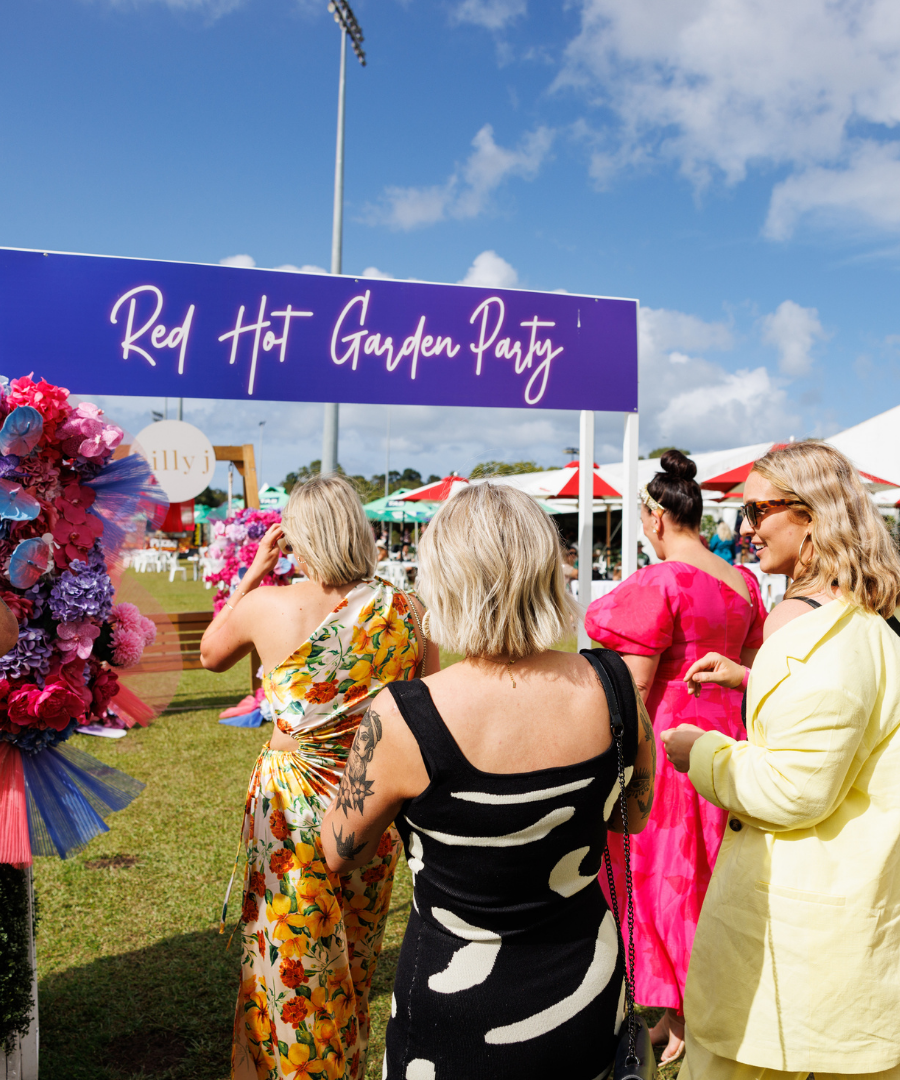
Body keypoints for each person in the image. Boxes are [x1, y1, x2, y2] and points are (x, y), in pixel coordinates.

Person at [321, 483, 656, 1080]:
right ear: (547, 570)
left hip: (453, 1003)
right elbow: (632, 811)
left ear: (442, 579)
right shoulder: (612, 684)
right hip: (584, 981)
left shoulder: (405, 715)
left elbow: (339, 851)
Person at [664, 441, 900, 1080]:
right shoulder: (860, 620)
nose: (743, 528)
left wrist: (699, 753)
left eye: (758, 510)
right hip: (835, 929)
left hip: (797, 943)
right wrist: (751, 679)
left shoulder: (806, 628)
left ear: (813, 514)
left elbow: (795, 790)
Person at [200, 475, 439, 1080]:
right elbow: (424, 700)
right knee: (354, 952)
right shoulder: (407, 610)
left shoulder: (266, 605)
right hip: (373, 800)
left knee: (288, 955)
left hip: (290, 805)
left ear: (297, 537)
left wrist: (251, 575)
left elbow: (210, 655)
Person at [584, 450, 767, 1064]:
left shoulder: (661, 582)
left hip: (667, 748)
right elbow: (752, 664)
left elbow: (634, 687)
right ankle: (686, 1010)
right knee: (715, 877)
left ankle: (685, 1016)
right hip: (731, 744)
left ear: (655, 518)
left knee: (667, 882)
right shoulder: (744, 582)